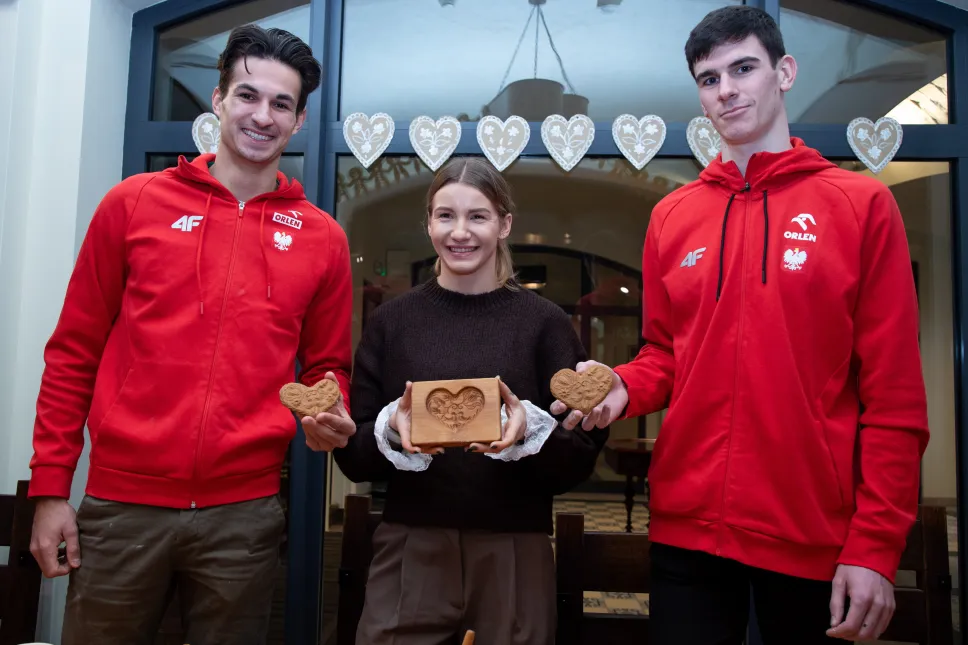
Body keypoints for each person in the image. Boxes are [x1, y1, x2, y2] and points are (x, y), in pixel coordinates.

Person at [552, 6, 929, 644]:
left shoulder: (862, 206)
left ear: (784, 73)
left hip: (812, 540)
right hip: (687, 533)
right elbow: (664, 354)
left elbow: (895, 400)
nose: (726, 89)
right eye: (708, 78)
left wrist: (874, 546)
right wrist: (623, 386)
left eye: (743, 68)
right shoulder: (673, 217)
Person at [27, 24, 356, 645]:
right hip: (120, 507)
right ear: (219, 100)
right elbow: (72, 353)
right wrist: (50, 491)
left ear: (300, 119)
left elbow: (326, 366)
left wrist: (330, 407)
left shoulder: (323, 239)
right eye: (248, 95)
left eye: (280, 103)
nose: (262, 115)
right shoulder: (132, 204)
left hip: (246, 515)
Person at [332, 157, 609, 645]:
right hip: (409, 544)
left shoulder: (543, 324)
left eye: (477, 216)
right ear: (429, 224)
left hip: (514, 548)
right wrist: (393, 431)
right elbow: (354, 456)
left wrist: (531, 433)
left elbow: (579, 458)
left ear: (504, 225)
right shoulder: (392, 324)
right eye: (446, 216)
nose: (460, 232)